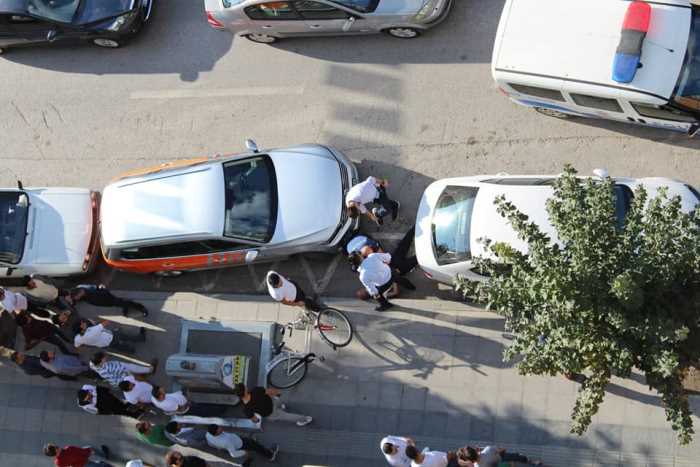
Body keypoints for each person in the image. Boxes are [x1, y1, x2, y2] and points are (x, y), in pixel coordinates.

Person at [353, 227, 417, 300]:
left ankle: (414, 228)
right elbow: (395, 291)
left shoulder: (369, 282)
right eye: (360, 292)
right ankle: (415, 228)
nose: (361, 289)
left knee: (408, 247)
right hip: (396, 268)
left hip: (393, 265)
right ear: (364, 294)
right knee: (408, 247)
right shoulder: (379, 291)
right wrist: (393, 274)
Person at [234, 383, 312, 427]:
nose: (246, 386)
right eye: (245, 386)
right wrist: (277, 393)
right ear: (245, 391)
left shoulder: (246, 409)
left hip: (270, 413)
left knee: (287, 416)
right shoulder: (255, 390)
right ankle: (282, 406)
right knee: (279, 402)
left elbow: (254, 419)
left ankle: (305, 419)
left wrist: (257, 420)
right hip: (271, 401)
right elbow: (269, 391)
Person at [205, 424, 278, 461]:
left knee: (250, 441)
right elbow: (233, 454)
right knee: (256, 446)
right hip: (241, 444)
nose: (220, 427)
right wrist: (244, 452)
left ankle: (253, 442)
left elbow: (211, 444)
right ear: (216, 432)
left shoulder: (208, 434)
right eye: (218, 428)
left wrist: (219, 447)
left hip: (237, 440)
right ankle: (270, 455)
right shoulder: (226, 441)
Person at [68, 284, 149, 317]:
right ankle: (125, 307)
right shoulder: (79, 290)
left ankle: (141, 308)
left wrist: (101, 287)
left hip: (107, 299)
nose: (77, 299)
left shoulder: (90, 290)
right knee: (119, 303)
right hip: (104, 303)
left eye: (77, 297)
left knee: (123, 302)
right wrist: (72, 302)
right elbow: (76, 299)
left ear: (81, 292)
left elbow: (98, 287)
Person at [73, 318, 145, 353]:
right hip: (111, 336)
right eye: (82, 323)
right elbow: (106, 323)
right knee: (125, 336)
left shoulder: (77, 338)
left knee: (118, 347)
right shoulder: (92, 331)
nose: (83, 322)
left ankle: (131, 351)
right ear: (81, 327)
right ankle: (140, 338)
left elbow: (77, 347)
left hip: (104, 344)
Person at [89, 351, 155, 387]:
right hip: (123, 376)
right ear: (101, 361)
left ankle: (146, 373)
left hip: (119, 374)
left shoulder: (92, 364)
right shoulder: (107, 369)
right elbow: (117, 377)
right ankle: (150, 372)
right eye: (103, 358)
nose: (105, 357)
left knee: (134, 370)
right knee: (136, 376)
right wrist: (128, 375)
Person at [77, 384, 144, 419]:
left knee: (121, 404)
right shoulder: (86, 406)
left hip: (107, 397)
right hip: (106, 406)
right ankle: (135, 415)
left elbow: (97, 388)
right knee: (121, 411)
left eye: (89, 394)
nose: (90, 395)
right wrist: (110, 412)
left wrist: (107, 390)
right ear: (84, 400)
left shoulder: (86, 387)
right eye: (88, 397)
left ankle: (134, 404)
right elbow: (97, 412)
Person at [151, 386, 226, 417]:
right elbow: (180, 408)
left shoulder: (153, 398)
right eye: (162, 391)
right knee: (203, 410)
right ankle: (220, 411)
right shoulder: (168, 404)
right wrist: (189, 403)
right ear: (160, 396)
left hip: (183, 398)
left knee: (202, 405)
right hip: (187, 407)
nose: (163, 389)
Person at [43, 443, 112, 467]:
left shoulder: (57, 462)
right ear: (56, 449)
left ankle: (104, 456)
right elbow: (82, 452)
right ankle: (105, 455)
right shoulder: (69, 448)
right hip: (84, 461)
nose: (56, 445)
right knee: (103, 465)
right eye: (55, 446)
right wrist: (89, 452)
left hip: (79, 465)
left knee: (99, 464)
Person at [464, 446, 541, 467]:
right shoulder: (488, 449)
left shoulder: (476, 466)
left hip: (497, 465)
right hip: (501, 458)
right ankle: (532, 462)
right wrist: (482, 449)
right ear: (475, 450)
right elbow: (503, 449)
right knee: (517, 456)